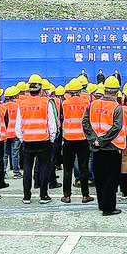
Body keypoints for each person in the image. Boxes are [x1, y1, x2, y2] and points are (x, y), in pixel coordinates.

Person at [83, 77, 126, 216]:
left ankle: (101, 204)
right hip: (111, 147)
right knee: (111, 179)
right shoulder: (116, 108)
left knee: (100, 177)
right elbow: (116, 127)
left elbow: (85, 122)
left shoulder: (92, 104)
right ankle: (109, 207)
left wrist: (93, 139)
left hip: (96, 148)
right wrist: (102, 141)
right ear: (117, 91)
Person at [15, 74, 57, 204]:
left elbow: (18, 125)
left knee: (27, 169)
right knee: (44, 168)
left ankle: (26, 196)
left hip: (27, 141)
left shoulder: (22, 104)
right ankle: (43, 196)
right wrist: (51, 138)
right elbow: (52, 124)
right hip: (44, 141)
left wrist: (22, 138)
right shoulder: (46, 103)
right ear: (41, 89)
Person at [60, 79, 94, 204]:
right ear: (80, 90)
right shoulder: (86, 103)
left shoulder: (65, 103)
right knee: (83, 168)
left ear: (69, 91)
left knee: (67, 169)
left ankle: (67, 196)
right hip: (82, 139)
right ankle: (85, 195)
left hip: (68, 139)